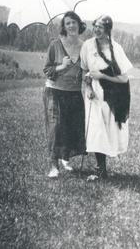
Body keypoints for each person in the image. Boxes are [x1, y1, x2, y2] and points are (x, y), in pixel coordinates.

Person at [80, 15, 133, 179]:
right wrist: (87, 87)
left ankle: (102, 169)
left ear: (108, 30)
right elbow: (84, 70)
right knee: (96, 130)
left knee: (107, 130)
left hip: (111, 95)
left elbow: (124, 78)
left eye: (100, 27)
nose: (96, 30)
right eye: (95, 26)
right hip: (93, 95)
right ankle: (100, 169)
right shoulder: (88, 46)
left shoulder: (115, 49)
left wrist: (103, 77)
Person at [43, 11, 87, 178]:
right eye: (67, 23)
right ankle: (54, 166)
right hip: (55, 91)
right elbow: (47, 70)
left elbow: (86, 68)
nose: (71, 26)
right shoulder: (55, 45)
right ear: (64, 27)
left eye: (74, 22)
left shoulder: (84, 46)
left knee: (70, 127)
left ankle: (65, 159)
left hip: (74, 92)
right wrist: (61, 67)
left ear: (79, 24)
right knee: (56, 127)